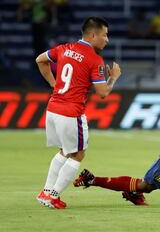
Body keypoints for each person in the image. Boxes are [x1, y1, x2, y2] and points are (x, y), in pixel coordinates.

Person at [35, 17, 122, 209]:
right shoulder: (94, 59)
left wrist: (53, 83)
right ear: (93, 35)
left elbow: (40, 60)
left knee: (64, 151)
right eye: (105, 35)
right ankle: (54, 196)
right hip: (71, 112)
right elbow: (102, 93)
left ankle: (46, 192)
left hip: (53, 108)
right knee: (78, 154)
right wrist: (113, 78)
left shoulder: (64, 48)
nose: (107, 40)